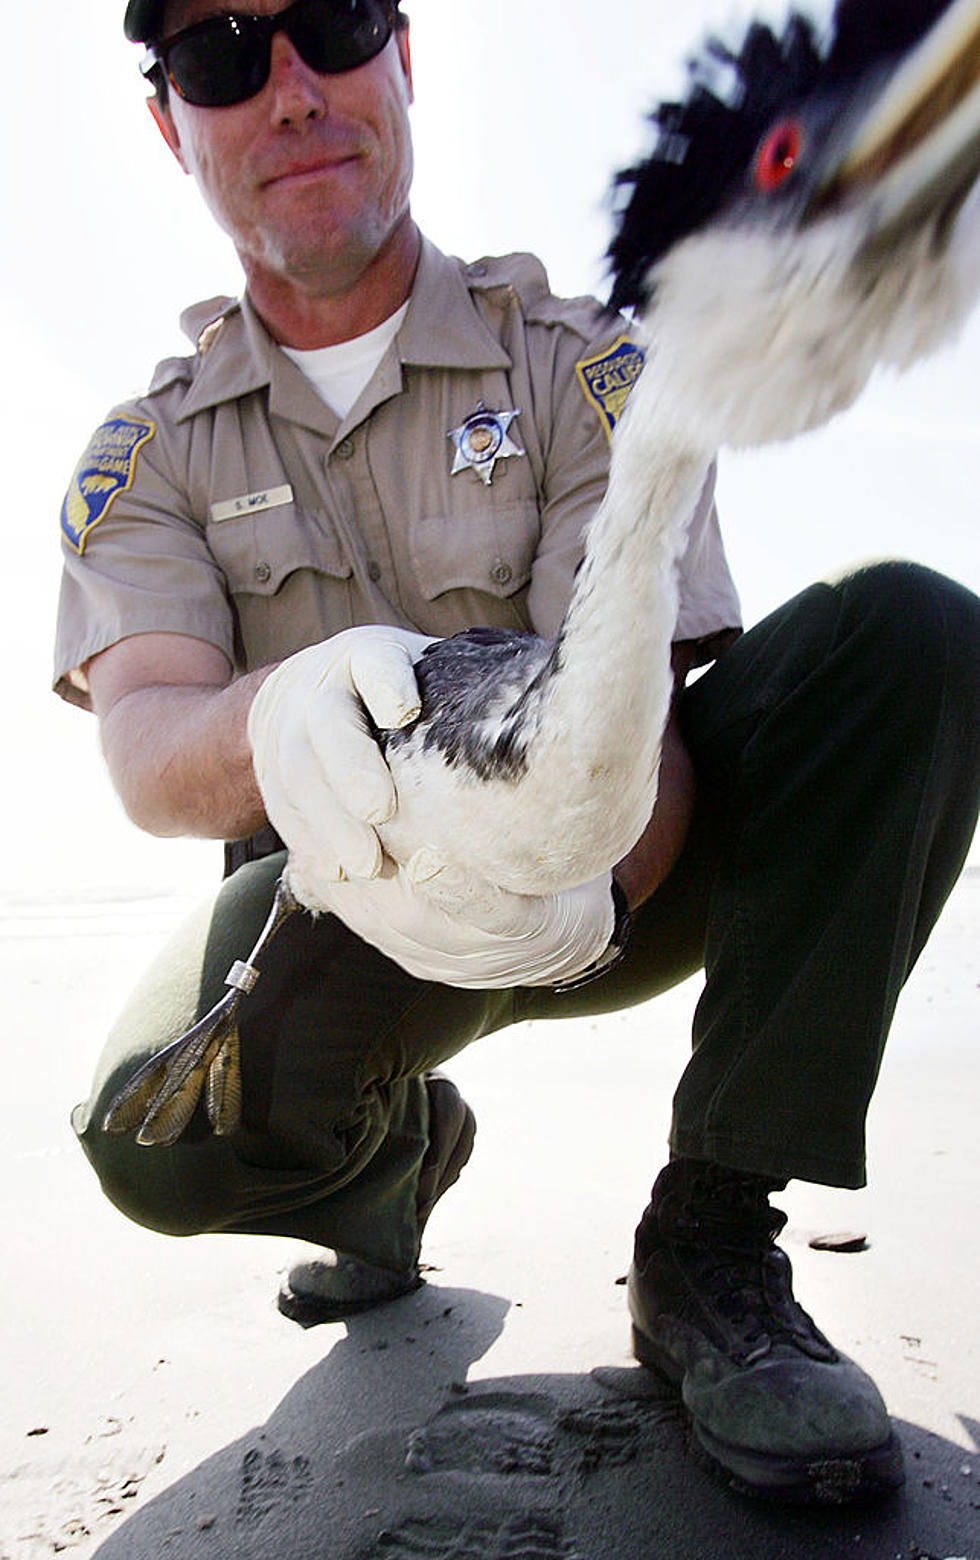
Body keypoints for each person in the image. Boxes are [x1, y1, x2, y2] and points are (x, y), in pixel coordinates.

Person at [55, 0, 979, 1506]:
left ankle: (712, 1236)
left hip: (622, 863)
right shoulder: (150, 453)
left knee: (911, 639)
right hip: (348, 907)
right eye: (225, 57)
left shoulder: (584, 362)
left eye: (334, 25)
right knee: (151, 1135)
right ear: (173, 122)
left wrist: (567, 849)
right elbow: (154, 746)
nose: (291, 93)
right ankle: (387, 1165)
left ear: (401, 55)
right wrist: (284, 721)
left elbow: (634, 691)